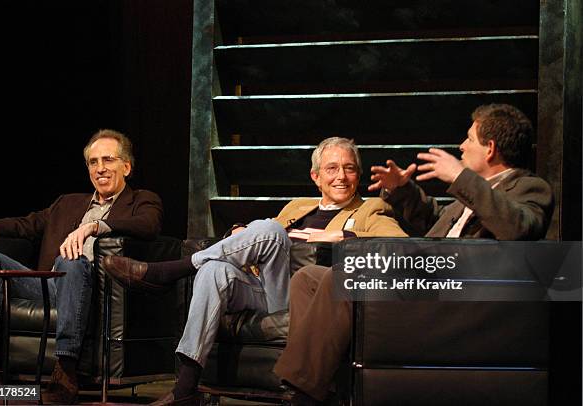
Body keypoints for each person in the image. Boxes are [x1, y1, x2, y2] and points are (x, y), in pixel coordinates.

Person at [273, 104, 555, 405]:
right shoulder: (471, 197)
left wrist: (461, 178)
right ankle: (325, 384)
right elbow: (435, 220)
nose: (462, 146)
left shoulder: (529, 188)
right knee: (308, 278)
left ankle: (302, 392)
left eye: (469, 139)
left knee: (345, 276)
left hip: (452, 288)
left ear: (490, 149)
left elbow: (519, 227)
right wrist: (402, 189)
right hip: (423, 275)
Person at [102, 137, 407, 405]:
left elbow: (399, 245)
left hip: (305, 299)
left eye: (349, 168)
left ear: (358, 174)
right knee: (215, 270)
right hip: (265, 289)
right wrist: (241, 231)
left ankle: (170, 271)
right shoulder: (299, 206)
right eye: (332, 168)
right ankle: (186, 387)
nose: (341, 176)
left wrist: (342, 236)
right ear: (316, 177)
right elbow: (263, 237)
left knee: (270, 230)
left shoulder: (371, 209)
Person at [0, 129, 163, 405]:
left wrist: (96, 227)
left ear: (127, 167)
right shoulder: (67, 203)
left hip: (94, 287)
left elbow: (148, 226)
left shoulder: (143, 200)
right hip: (51, 283)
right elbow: (26, 224)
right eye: (93, 162)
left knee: (71, 259)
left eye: (108, 160)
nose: (100, 169)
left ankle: (65, 370)